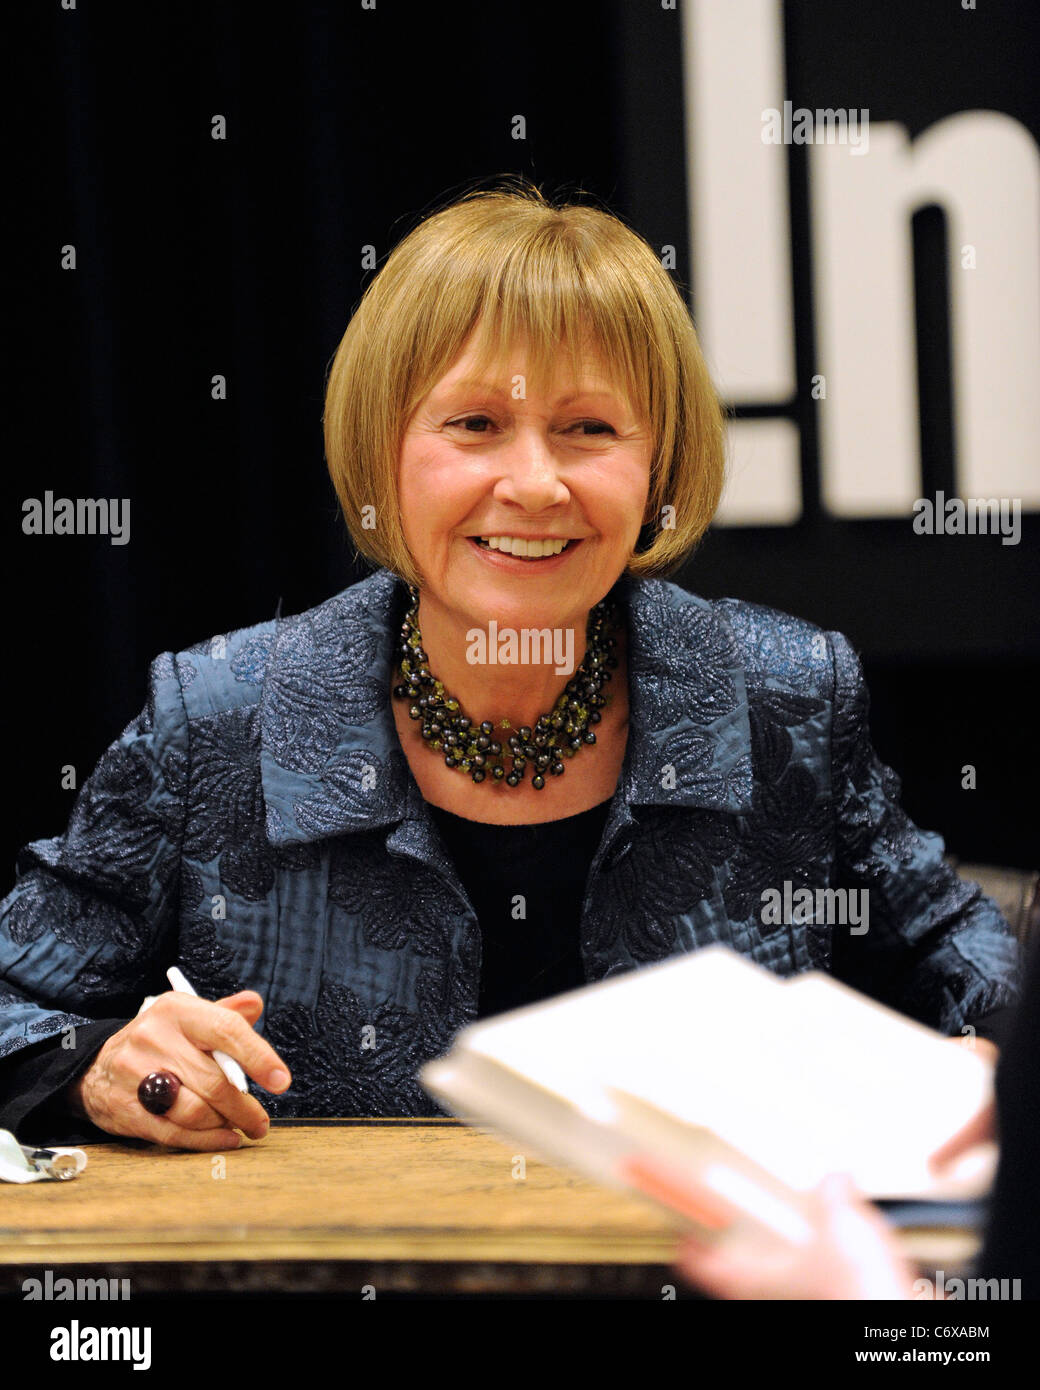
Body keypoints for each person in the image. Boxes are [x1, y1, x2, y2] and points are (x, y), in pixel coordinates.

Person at [0, 179, 1020, 1155]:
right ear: (383, 447)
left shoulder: (783, 695)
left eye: (587, 429)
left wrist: (987, 1060)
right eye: (474, 424)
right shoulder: (219, 716)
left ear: (657, 466)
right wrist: (100, 1063)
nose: (532, 483)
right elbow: (12, 1002)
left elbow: (975, 960)